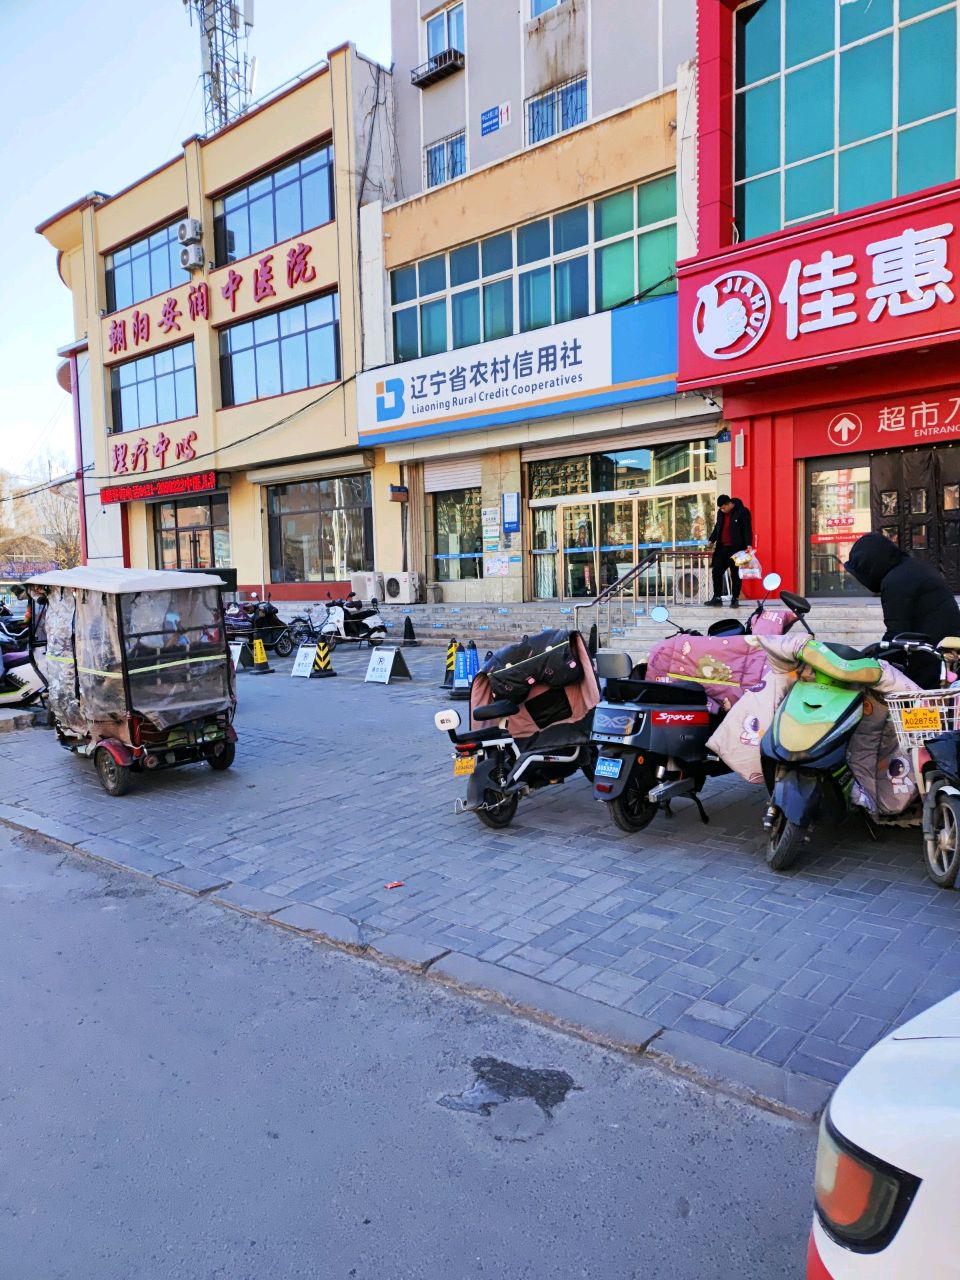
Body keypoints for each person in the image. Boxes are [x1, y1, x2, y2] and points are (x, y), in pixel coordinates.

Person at [844, 531, 960, 646]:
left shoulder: (895, 582)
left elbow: (897, 634)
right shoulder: (911, 567)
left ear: (870, 564)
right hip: (945, 642)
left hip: (932, 649)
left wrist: (877, 656)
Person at [707, 495, 753, 608]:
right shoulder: (720, 513)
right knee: (716, 572)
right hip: (722, 548)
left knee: (735, 574)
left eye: (723, 508)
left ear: (729, 504)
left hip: (736, 549)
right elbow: (718, 527)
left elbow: (747, 528)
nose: (722, 510)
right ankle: (717, 598)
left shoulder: (742, 512)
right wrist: (712, 540)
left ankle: (735, 598)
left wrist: (748, 544)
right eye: (720, 508)